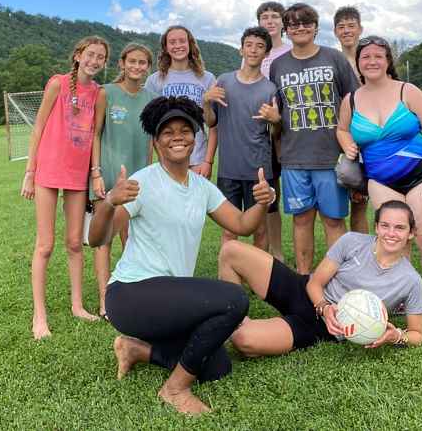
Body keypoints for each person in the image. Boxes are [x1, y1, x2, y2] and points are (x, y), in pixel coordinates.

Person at [87, 96, 275, 416]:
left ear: (195, 137)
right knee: (232, 299)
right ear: (157, 141)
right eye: (168, 132)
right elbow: (97, 239)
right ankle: (174, 389)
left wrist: (261, 202)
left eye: (185, 130)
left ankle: (135, 349)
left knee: (217, 367)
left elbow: (241, 224)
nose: (177, 136)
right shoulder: (142, 182)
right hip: (131, 294)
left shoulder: (201, 187)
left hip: (167, 301)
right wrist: (108, 203)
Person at [336, 35, 422, 323]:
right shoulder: (352, 99)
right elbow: (342, 129)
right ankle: (402, 296)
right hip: (380, 181)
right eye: (365, 56)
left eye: (377, 56)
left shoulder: (407, 91)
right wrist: (345, 142)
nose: (371, 61)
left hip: (419, 175)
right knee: (393, 241)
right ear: (358, 62)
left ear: (388, 61)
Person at [219, 200, 422, 356]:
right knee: (231, 251)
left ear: (411, 233)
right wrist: (324, 307)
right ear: (377, 226)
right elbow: (315, 282)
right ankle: (232, 321)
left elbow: (417, 334)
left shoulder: (410, 280)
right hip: (306, 293)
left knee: (243, 339)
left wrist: (396, 336)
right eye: (385, 225)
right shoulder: (352, 241)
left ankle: (241, 329)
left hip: (321, 327)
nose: (391, 233)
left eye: (400, 228)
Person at [20, 36, 109, 339]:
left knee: (74, 243)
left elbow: (95, 135)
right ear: (78, 56)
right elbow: (38, 129)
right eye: (90, 55)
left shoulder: (98, 93)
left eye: (101, 58)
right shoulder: (57, 84)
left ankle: (77, 305)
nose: (95, 61)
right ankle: (39, 316)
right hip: (48, 171)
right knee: (45, 245)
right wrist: (29, 173)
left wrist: (95, 172)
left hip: (77, 175)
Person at [261, 2, 359, 273]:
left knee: (334, 220)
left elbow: (354, 100)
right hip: (294, 157)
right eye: (293, 23)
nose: (300, 27)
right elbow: (278, 111)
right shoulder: (278, 65)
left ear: (316, 27)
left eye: (306, 22)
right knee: (301, 219)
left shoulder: (334, 58)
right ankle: (304, 276)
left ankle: (337, 276)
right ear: (287, 29)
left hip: (330, 156)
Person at [89, 42, 155, 319]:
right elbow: (95, 134)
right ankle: (106, 302)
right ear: (122, 63)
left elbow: (151, 140)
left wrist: (150, 174)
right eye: (133, 61)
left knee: (133, 238)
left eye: (143, 63)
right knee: (103, 239)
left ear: (148, 68)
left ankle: (131, 295)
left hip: (137, 181)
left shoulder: (151, 98)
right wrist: (96, 172)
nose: (137, 67)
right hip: (107, 178)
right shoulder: (107, 93)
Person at [203, 27, 278, 252]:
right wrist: (206, 102)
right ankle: (230, 279)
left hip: (259, 171)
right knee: (229, 230)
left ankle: (260, 278)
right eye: (249, 45)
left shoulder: (270, 88)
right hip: (228, 170)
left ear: (266, 54)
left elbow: (275, 135)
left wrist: (276, 120)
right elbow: (211, 122)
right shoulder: (223, 81)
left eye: (260, 46)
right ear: (241, 49)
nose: (253, 50)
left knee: (260, 229)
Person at [144, 25, 217, 179]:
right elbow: (150, 128)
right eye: (172, 42)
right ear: (165, 47)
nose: (177, 46)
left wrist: (207, 162)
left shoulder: (207, 78)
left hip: (197, 160)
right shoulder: (154, 80)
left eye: (182, 41)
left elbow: (213, 124)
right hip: (167, 160)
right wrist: (160, 160)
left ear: (190, 44)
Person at [256, 1, 292, 262]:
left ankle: (278, 251)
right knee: (267, 193)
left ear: (282, 22)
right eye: (264, 17)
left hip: (289, 130)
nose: (269, 21)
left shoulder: (291, 51)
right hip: (261, 132)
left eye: (274, 17)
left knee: (287, 192)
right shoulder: (255, 53)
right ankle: (269, 253)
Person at [333, 6, 369, 235]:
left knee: (360, 202)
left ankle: (364, 251)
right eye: (341, 27)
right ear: (335, 31)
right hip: (337, 135)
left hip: (367, 134)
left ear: (360, 29)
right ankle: (345, 252)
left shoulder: (370, 59)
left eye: (351, 26)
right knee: (335, 207)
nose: (346, 31)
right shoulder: (331, 61)